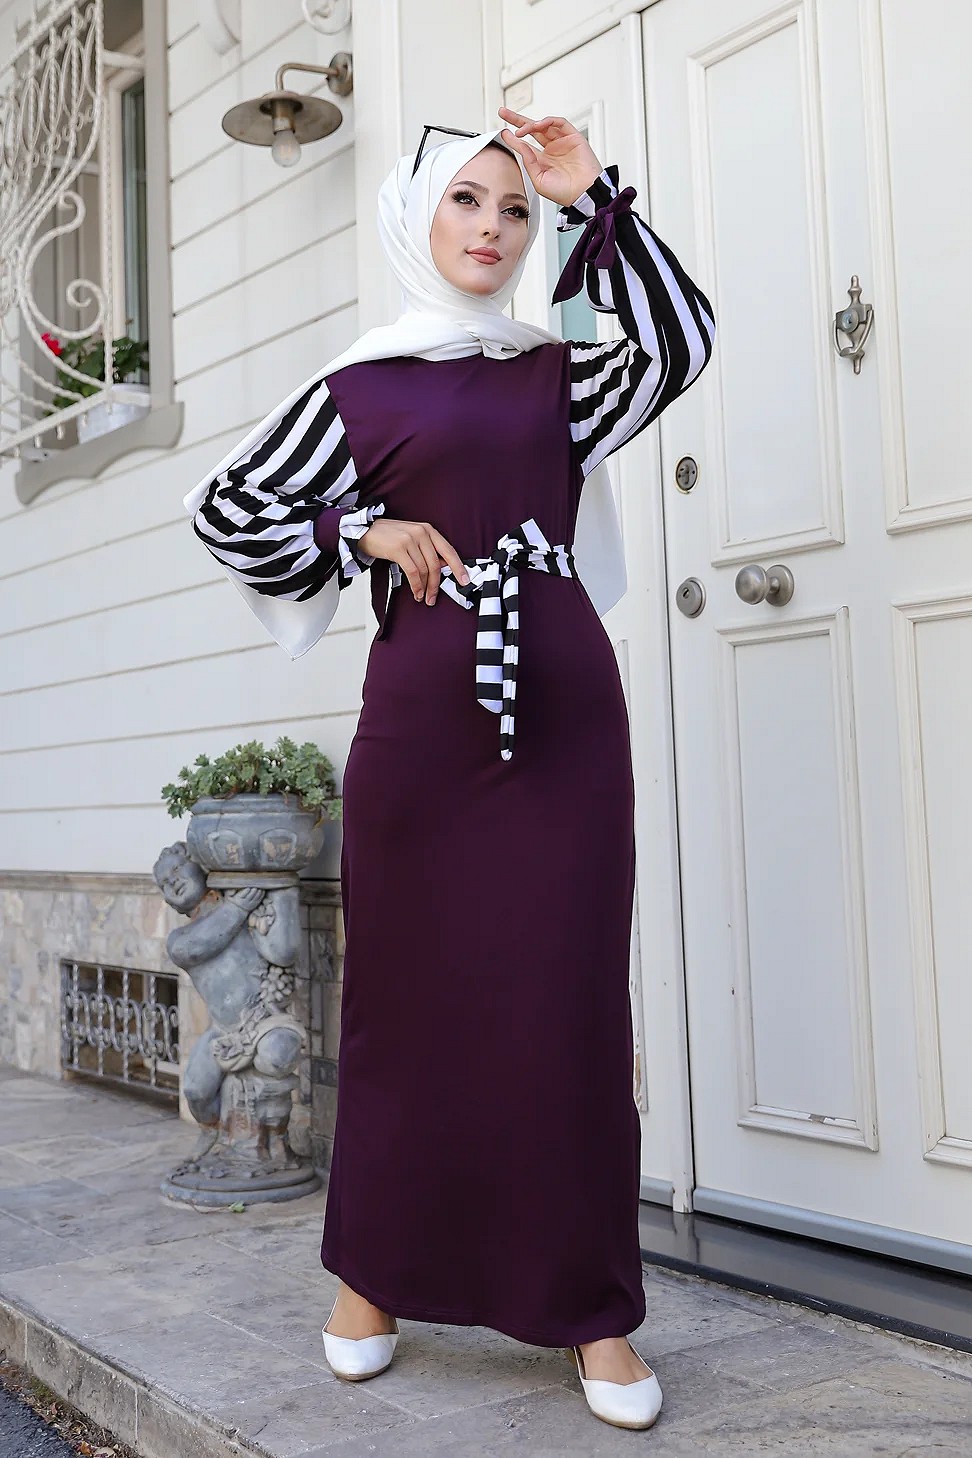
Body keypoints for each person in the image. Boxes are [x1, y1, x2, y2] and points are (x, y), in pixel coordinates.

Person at [187, 106, 715, 1432]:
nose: (492, 227)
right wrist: (360, 529)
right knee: (408, 1006)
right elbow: (230, 509)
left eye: (514, 209)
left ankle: (591, 1311)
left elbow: (677, 340)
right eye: (466, 201)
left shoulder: (558, 368)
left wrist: (591, 194)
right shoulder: (360, 385)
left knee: (566, 1005)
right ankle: (372, 1279)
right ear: (414, 216)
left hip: (565, 721)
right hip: (423, 732)